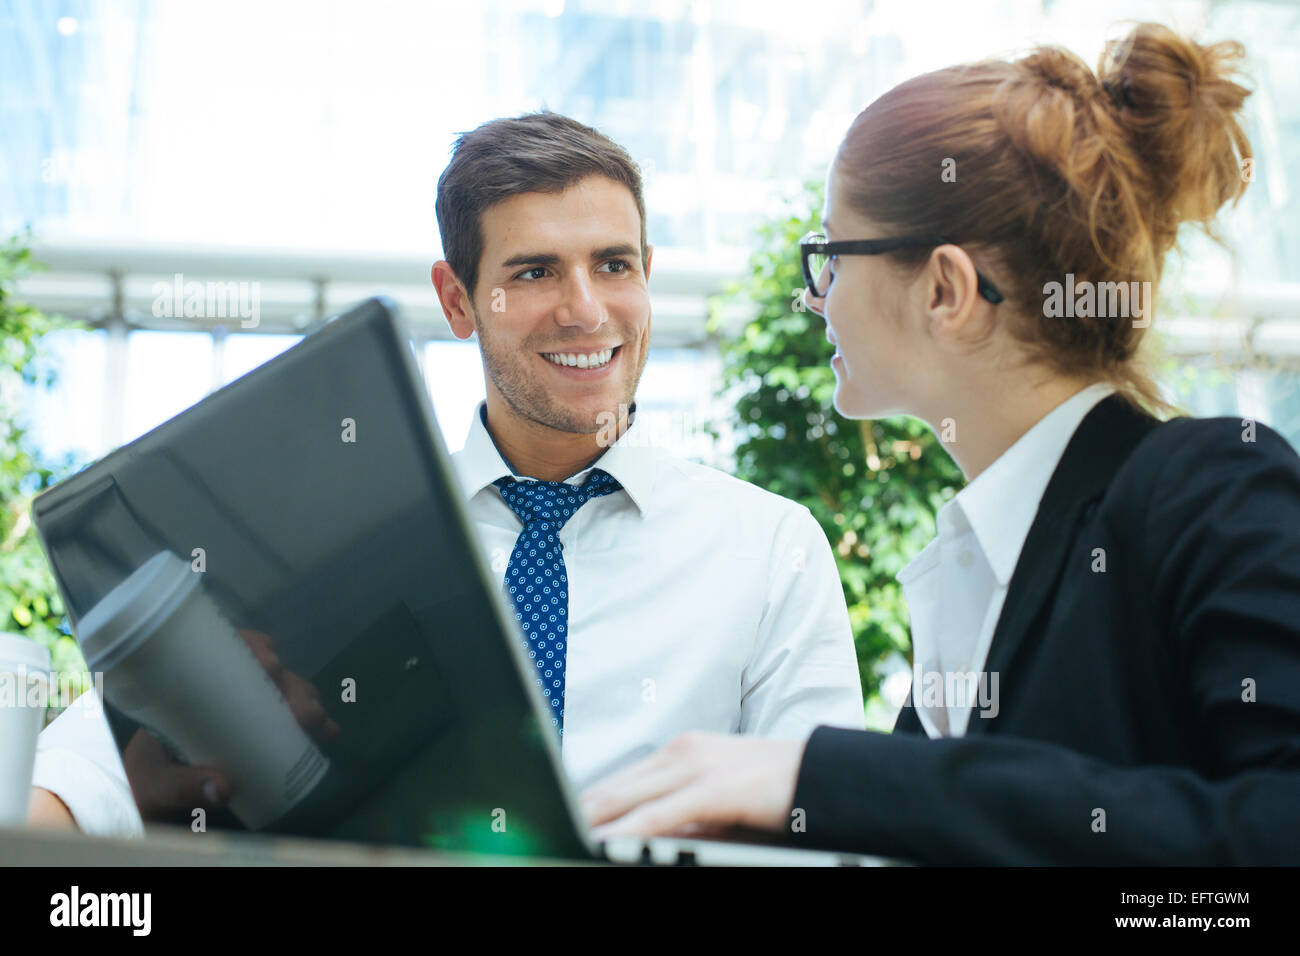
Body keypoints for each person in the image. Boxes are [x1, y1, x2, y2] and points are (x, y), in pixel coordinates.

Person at [28, 111, 865, 835]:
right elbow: (71, 785)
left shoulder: (770, 550)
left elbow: (830, 826)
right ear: (459, 301)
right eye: (534, 272)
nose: (586, 309)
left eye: (614, 264)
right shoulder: (344, 543)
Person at [582, 23, 1300, 865]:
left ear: (947, 289)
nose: (818, 299)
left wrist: (831, 781)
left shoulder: (1210, 486)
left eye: (832, 256)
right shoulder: (984, 565)